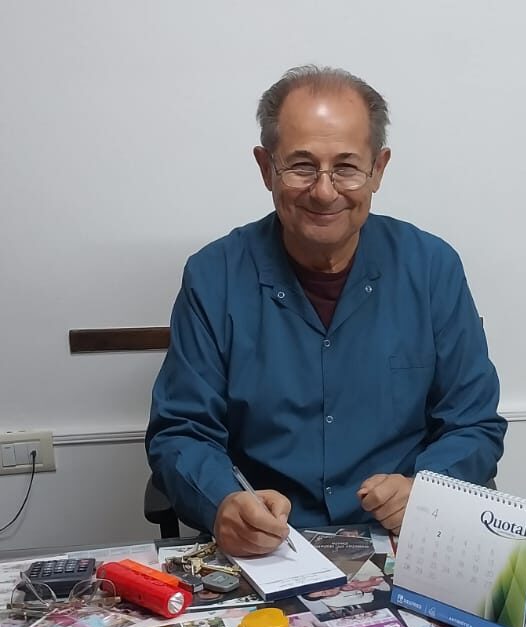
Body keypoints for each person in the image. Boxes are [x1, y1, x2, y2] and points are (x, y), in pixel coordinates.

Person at [146, 64, 506, 555]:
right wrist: (222, 502)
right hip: (271, 547)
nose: (323, 190)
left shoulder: (431, 268)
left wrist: (427, 488)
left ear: (378, 169)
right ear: (265, 168)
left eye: (346, 167)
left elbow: (474, 425)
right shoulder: (214, 276)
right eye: (301, 165)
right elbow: (181, 432)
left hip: (405, 539)